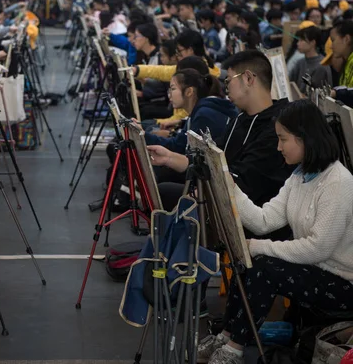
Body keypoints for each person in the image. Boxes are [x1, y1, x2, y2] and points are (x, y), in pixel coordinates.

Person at [197, 99, 353, 364]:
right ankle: (226, 334)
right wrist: (230, 187)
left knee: (262, 266)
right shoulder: (300, 175)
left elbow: (318, 248)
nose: (278, 147)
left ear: (305, 138)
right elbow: (264, 220)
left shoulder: (338, 183)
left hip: (343, 283)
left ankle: (235, 348)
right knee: (247, 260)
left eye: (283, 139)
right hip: (318, 270)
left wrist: (259, 246)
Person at [148, 50, 294, 222]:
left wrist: (199, 194)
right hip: (225, 198)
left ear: (248, 78)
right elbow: (211, 157)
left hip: (250, 214)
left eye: (229, 80)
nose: (226, 87)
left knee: (166, 192)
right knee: (165, 183)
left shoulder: (277, 127)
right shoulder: (240, 119)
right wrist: (169, 158)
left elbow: (245, 182)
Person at [289, 25, 332, 92]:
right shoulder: (300, 62)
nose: (298, 43)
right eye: (298, 40)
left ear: (312, 43)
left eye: (302, 40)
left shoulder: (321, 66)